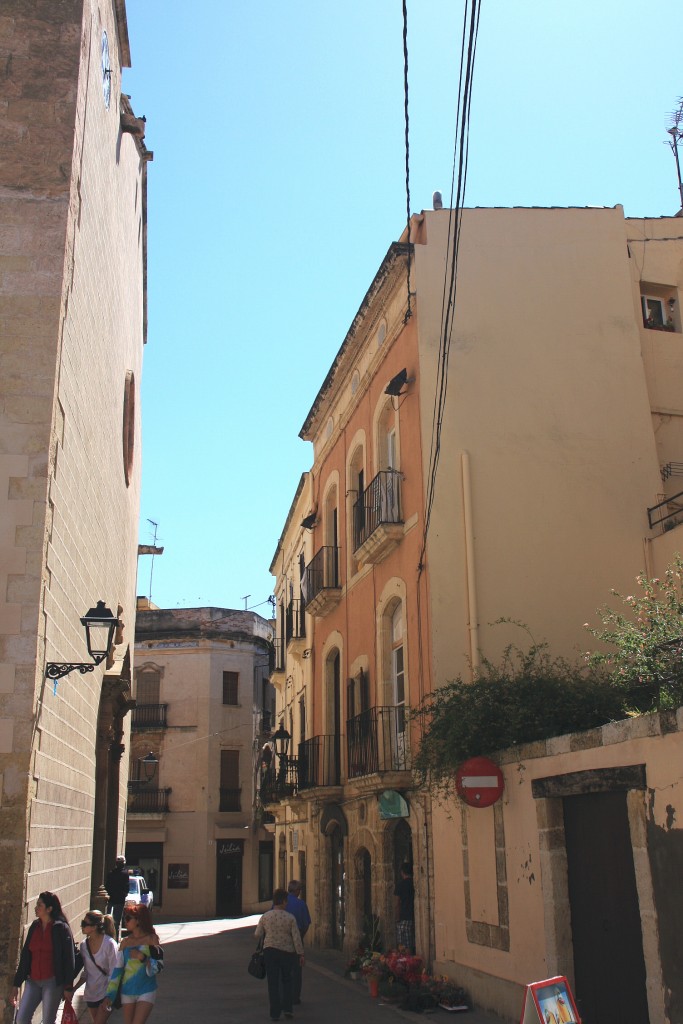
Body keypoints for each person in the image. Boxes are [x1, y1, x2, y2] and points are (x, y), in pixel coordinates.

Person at [9, 890, 77, 1024]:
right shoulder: (35, 926)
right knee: (21, 1019)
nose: (36, 908)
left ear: (49, 909)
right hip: (32, 981)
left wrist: (68, 987)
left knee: (47, 1021)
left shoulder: (61, 929)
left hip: (52, 982)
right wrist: (16, 984)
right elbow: (25, 956)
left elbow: (69, 959)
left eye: (40, 905)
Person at [100, 903, 163, 1024]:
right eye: (125, 918)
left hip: (147, 989)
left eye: (128, 918)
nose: (125, 921)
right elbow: (117, 970)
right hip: (127, 991)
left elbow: (159, 966)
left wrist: (143, 957)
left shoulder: (152, 939)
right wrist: (109, 995)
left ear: (138, 920)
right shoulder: (125, 942)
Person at [255, 888, 304, 1022]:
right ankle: (288, 1008)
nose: (287, 904)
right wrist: (300, 953)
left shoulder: (265, 916)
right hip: (287, 952)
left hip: (270, 951)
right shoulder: (290, 918)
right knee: (287, 979)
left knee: (273, 982)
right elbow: (296, 938)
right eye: (286, 901)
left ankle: (275, 1012)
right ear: (283, 901)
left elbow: (257, 934)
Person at [73, 910, 118, 1022]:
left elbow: (115, 972)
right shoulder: (84, 945)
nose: (81, 926)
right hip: (91, 994)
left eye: (85, 924)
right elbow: (87, 972)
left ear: (94, 927)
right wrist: (74, 989)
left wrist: (109, 996)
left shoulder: (109, 944)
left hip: (106, 993)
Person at [284, 880, 311, 1005]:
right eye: (299, 890)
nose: (300, 892)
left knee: (283, 969)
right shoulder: (301, 904)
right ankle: (295, 996)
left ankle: (284, 995)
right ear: (296, 891)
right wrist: (300, 936)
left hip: (281, 940)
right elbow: (306, 924)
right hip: (297, 939)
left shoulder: (280, 903)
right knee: (296, 969)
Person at [106, 855, 130, 939]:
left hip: (111, 899)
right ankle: (114, 939)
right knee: (116, 922)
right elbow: (126, 887)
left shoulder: (111, 873)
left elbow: (107, 886)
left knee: (108, 920)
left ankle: (109, 937)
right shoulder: (125, 874)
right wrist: (124, 894)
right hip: (119, 900)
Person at [394, 862, 415, 953]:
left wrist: (397, 917)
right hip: (412, 917)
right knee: (409, 943)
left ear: (402, 872)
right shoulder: (414, 883)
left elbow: (397, 903)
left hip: (403, 917)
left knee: (403, 946)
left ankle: (405, 963)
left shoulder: (400, 885)